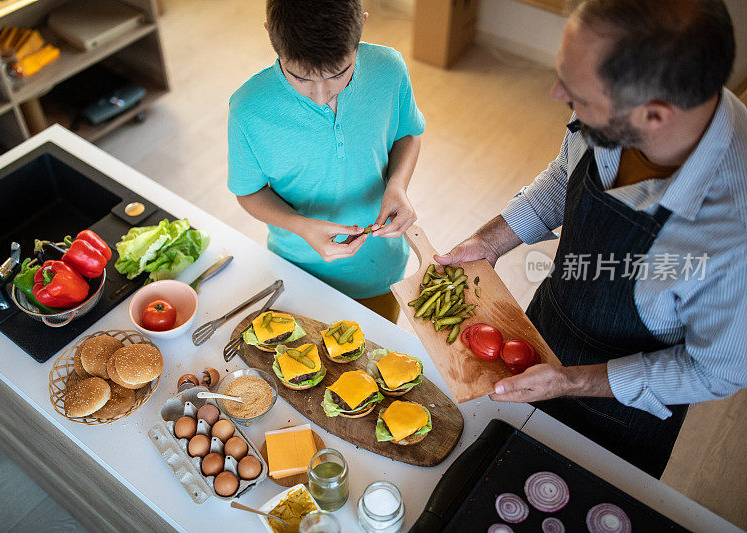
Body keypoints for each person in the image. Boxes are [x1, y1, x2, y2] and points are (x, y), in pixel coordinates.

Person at [436, 0, 746, 478]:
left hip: (621, 411)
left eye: (577, 93)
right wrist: (491, 241)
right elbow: (566, 175)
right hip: (546, 326)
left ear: (655, 116)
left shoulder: (732, 229)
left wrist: (569, 381)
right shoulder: (614, 112)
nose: (557, 92)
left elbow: (716, 370)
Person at [227, 0, 425, 323]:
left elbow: (409, 134)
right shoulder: (247, 110)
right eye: (301, 78)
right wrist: (300, 226)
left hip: (379, 271)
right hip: (297, 272)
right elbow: (248, 193)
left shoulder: (390, 70)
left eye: (339, 74)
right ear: (270, 36)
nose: (322, 96)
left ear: (361, 25)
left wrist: (398, 185)